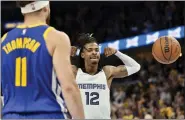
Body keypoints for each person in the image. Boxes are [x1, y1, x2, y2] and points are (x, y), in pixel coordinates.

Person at [1, 1, 84, 119]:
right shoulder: (55, 37)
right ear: (46, 8)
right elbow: (69, 87)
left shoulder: (3, 40)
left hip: (11, 116)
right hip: (48, 114)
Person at [71, 33, 141, 119]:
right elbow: (50, 70)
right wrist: (64, 54)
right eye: (90, 50)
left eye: (96, 50)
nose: (94, 53)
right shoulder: (74, 72)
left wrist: (117, 52)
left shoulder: (107, 72)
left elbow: (136, 67)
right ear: (82, 54)